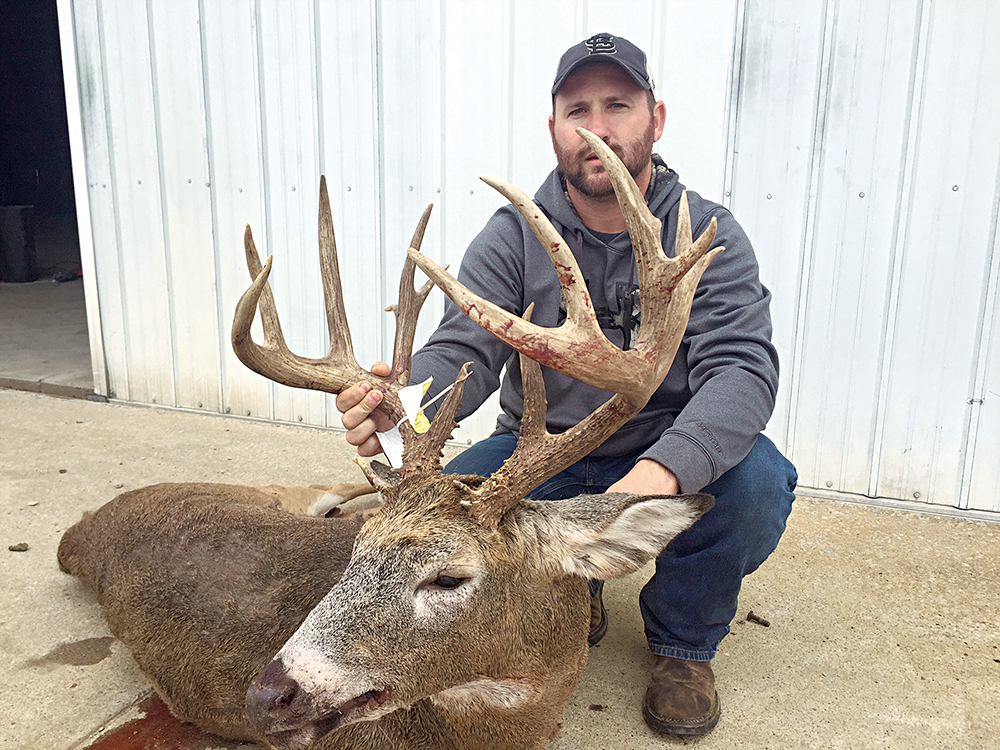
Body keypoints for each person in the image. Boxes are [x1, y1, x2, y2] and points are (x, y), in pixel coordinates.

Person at [337, 33, 797, 738]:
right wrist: (402, 407)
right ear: (553, 127)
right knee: (438, 520)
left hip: (661, 455)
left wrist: (662, 473)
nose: (598, 127)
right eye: (577, 108)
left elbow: (742, 368)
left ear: (657, 118)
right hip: (540, 458)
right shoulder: (514, 235)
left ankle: (682, 645)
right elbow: (463, 349)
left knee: (757, 483)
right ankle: (575, 592)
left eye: (619, 104)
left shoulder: (704, 232)